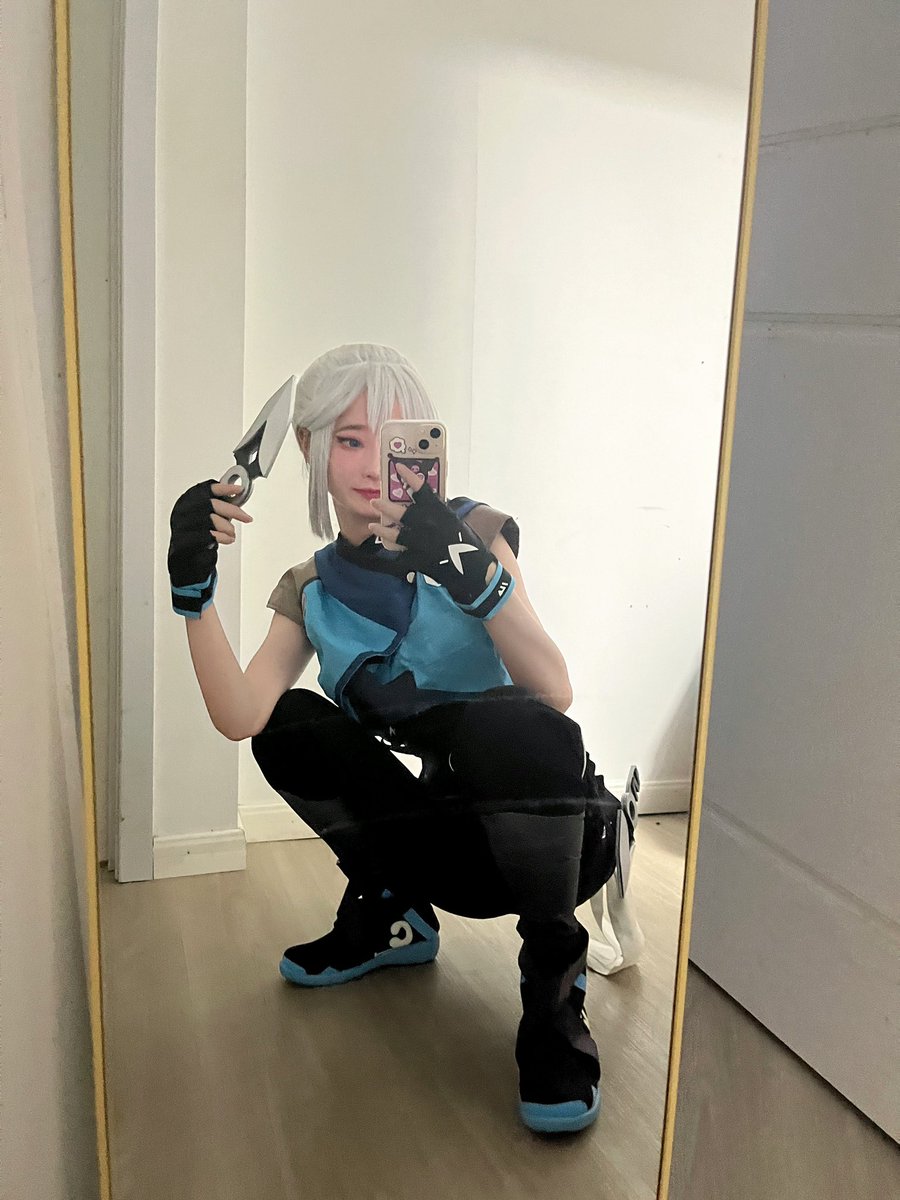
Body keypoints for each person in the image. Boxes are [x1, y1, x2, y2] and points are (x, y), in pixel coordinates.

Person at [166, 343, 622, 1135]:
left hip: (552, 836)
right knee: (290, 726)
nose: (374, 465)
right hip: (446, 845)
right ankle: (394, 913)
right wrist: (191, 592)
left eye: (395, 440)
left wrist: (464, 567)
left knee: (511, 723)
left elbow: (554, 692)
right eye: (349, 440)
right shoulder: (313, 589)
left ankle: (554, 991)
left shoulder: (474, 531)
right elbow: (242, 715)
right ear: (308, 447)